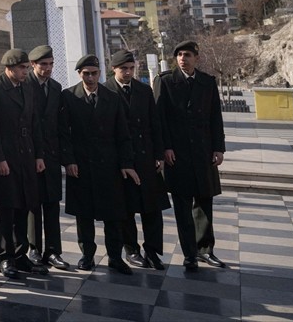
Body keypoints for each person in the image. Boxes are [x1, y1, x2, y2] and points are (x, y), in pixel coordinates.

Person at [59, 54, 140, 274]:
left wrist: (126, 162)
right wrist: (69, 161)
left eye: (94, 73)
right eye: (86, 74)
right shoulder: (69, 96)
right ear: (79, 74)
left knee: (113, 215)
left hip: (109, 166)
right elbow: (63, 133)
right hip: (82, 165)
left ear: (100, 73)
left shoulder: (112, 97)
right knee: (84, 215)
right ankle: (87, 256)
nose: (91, 78)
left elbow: (123, 134)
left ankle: (115, 257)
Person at [154, 39, 227, 272]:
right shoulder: (165, 81)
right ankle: (189, 254)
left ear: (196, 58)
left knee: (205, 203)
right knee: (183, 206)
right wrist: (165, 147)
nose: (182, 59)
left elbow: (215, 117)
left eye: (187, 55)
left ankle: (206, 249)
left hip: (203, 153)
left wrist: (219, 148)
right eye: (179, 55)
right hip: (178, 154)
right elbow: (159, 119)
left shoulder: (207, 82)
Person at [0, 48, 48, 280]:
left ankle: (21, 255)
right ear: (9, 68)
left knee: (24, 205)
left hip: (26, 157)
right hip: (7, 157)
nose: (26, 72)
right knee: (6, 209)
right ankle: (5, 256)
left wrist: (39, 155)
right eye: (22, 68)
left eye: (27, 68)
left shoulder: (27, 87)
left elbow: (34, 123)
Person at [105, 49, 170, 271]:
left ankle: (153, 250)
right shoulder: (106, 90)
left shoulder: (143, 90)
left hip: (146, 157)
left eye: (131, 68)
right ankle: (131, 249)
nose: (128, 72)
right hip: (121, 161)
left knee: (152, 208)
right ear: (114, 69)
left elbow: (155, 123)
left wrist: (159, 154)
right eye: (123, 69)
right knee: (126, 209)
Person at [26, 45, 71, 270]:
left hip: (52, 154)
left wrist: (65, 156)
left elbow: (59, 125)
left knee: (52, 203)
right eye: (43, 64)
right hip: (32, 154)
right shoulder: (25, 85)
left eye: (51, 64)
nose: (48, 68)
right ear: (33, 65)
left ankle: (53, 251)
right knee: (34, 204)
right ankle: (34, 248)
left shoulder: (55, 87)